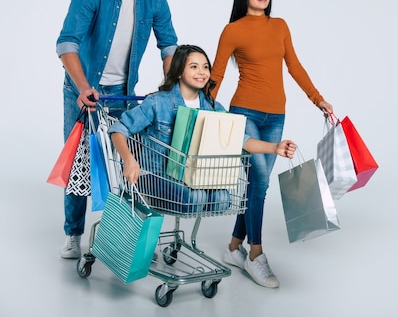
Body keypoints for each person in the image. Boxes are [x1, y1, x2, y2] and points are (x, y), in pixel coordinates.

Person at [55, 0, 179, 259]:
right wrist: (83, 87)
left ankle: (125, 235)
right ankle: (73, 233)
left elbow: (169, 47)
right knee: (82, 161)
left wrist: (170, 91)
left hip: (124, 95)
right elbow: (67, 43)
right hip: (82, 90)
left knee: (127, 163)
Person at [210, 0, 333, 288]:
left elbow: (294, 66)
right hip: (245, 113)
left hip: (276, 116)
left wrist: (318, 100)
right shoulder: (232, 30)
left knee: (255, 183)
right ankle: (256, 254)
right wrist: (202, 109)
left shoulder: (280, 26)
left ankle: (234, 247)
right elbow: (218, 73)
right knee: (260, 182)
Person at [108, 45, 297, 213]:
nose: (202, 72)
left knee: (223, 200)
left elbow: (241, 139)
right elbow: (119, 129)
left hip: (196, 179)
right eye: (194, 67)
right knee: (195, 199)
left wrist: (275, 148)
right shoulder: (158, 102)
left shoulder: (213, 107)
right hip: (156, 176)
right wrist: (129, 160)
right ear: (179, 72)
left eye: (206, 67)